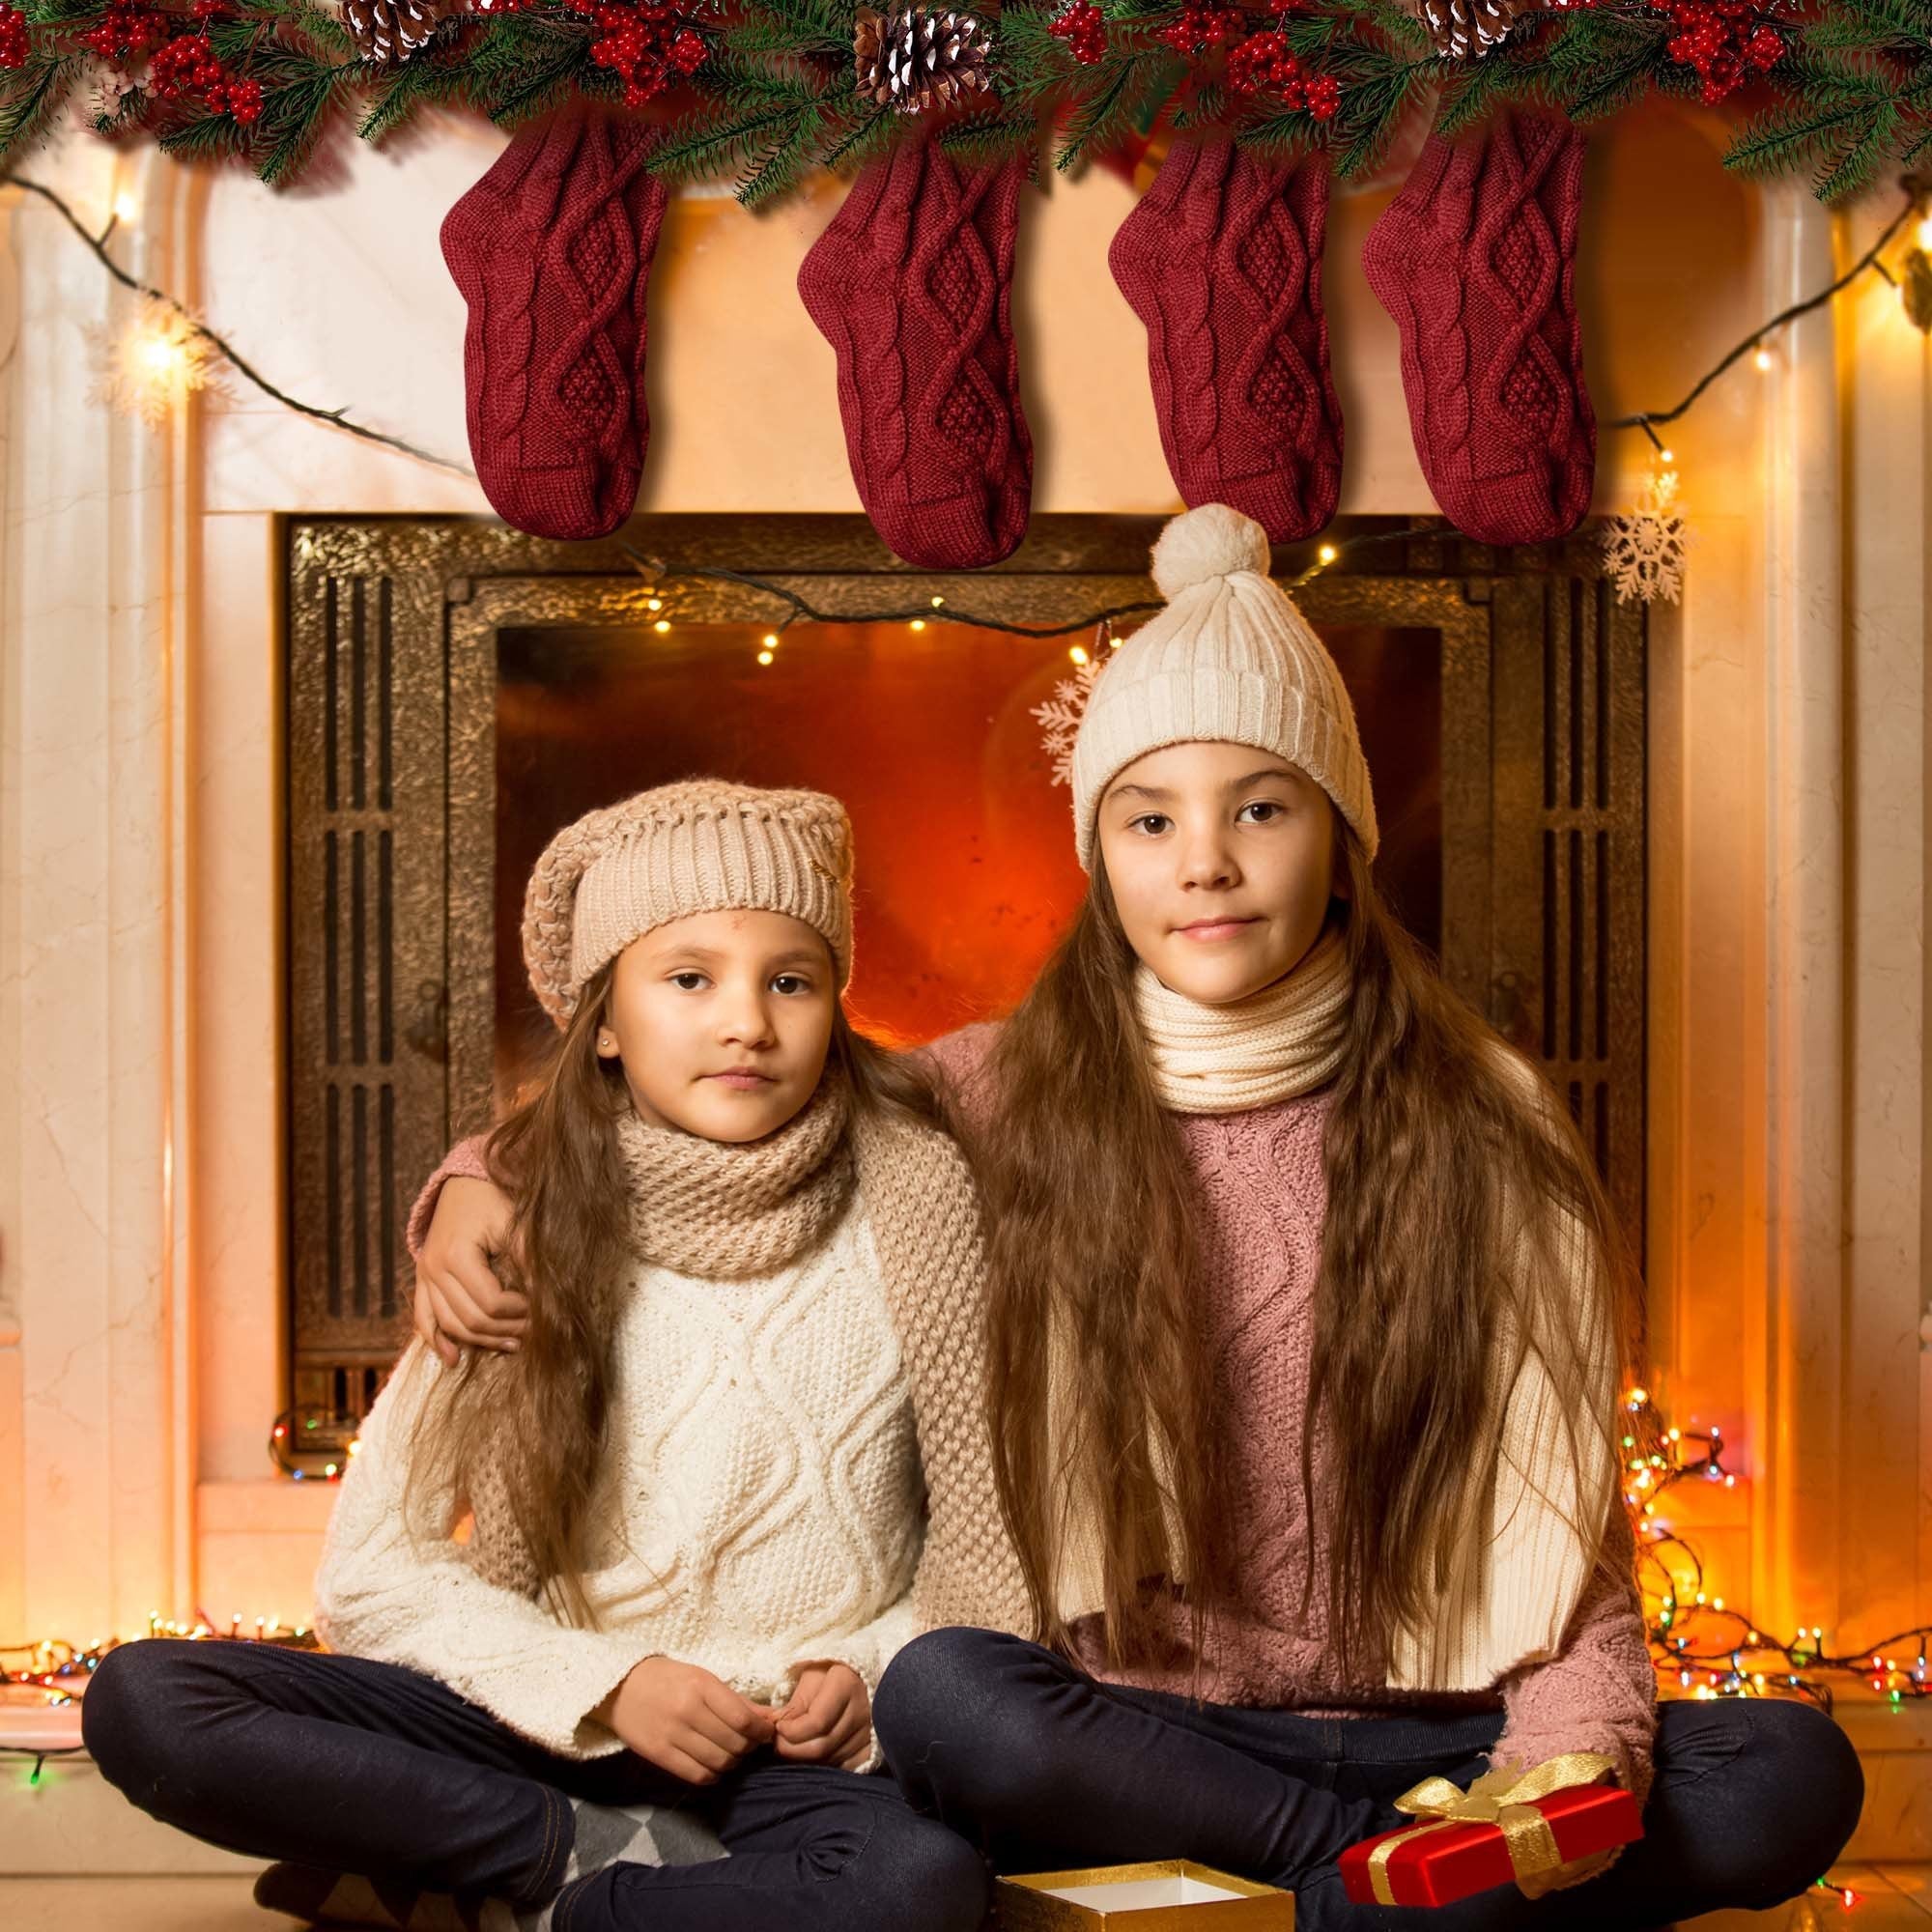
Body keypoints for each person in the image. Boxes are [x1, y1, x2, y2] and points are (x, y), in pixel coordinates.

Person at [410, 508, 1867, 1929]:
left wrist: (1564, 1770)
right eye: (1151, 818)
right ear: (1100, 854)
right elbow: (732, 1100)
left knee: (1789, 1771)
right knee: (947, 1699)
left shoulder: (1482, 1117)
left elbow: (1568, 1522)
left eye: (1262, 809)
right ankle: (1377, 1892)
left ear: (1339, 837)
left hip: (1448, 1723)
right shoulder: (1000, 1089)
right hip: (1150, 1744)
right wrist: (487, 1171)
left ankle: (1333, 1899)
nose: (1206, 862)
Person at [83, 781, 1024, 1932]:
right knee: (150, 1696)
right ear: (609, 1021)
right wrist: (609, 1683)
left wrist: (873, 1673)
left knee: (915, 1884)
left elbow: (974, 1551)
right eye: (689, 978)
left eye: (791, 979)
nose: (746, 1021)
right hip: (543, 1718)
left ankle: (522, 1899)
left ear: (836, 1004)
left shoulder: (920, 1214)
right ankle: (578, 1857)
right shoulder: (522, 1227)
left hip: (782, 1748)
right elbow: (374, 1569)